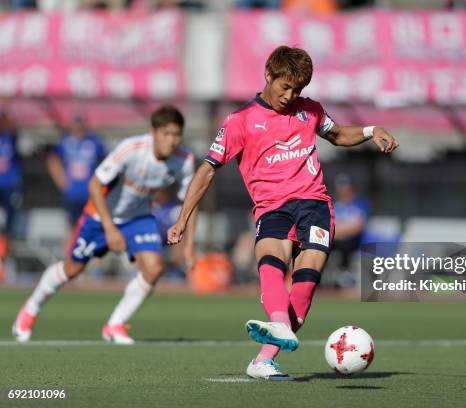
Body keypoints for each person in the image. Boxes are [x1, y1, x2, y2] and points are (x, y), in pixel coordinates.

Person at [167, 45, 398, 380]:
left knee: (307, 278)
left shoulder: (310, 111)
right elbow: (206, 170)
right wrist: (182, 218)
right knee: (272, 260)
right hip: (271, 207)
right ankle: (277, 330)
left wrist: (369, 130)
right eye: (284, 87)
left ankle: (264, 358)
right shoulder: (240, 121)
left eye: (298, 90)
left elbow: (336, 134)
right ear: (268, 75)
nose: (290, 96)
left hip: (314, 204)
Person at [13, 105, 196, 344]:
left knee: (153, 267)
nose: (172, 140)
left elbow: (192, 201)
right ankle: (31, 308)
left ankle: (115, 325)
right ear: (153, 132)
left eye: (176, 134)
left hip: (137, 216)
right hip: (100, 215)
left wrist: (189, 245)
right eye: (166, 133)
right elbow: (94, 186)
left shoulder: (184, 160)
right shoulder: (130, 149)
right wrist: (110, 229)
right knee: (72, 269)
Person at [47, 114, 106, 228]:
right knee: (72, 225)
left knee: (90, 225)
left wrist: (99, 183)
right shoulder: (65, 141)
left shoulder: (94, 141)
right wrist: (61, 180)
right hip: (71, 192)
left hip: (90, 193)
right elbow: (53, 160)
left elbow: (106, 160)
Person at [332, 173, 370, 287]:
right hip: (335, 238)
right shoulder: (334, 204)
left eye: (345, 186)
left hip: (354, 240)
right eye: (340, 187)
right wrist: (339, 232)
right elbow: (329, 224)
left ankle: (345, 276)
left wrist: (342, 231)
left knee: (346, 244)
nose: (342, 190)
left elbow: (359, 225)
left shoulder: (359, 203)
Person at [0, 109, 22, 280]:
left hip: (10, 187)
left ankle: (5, 261)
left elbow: (14, 128)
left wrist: (5, 109)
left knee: (9, 228)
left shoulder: (10, 137)